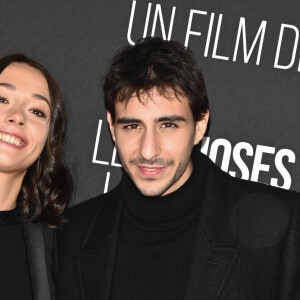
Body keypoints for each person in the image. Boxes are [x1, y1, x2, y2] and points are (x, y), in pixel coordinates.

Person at [56, 37, 300, 299]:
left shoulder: (281, 229)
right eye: (132, 126)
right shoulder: (72, 235)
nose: (148, 151)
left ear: (200, 125)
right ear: (112, 127)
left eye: (168, 125)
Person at [0, 54, 70, 300]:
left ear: (48, 140)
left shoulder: (51, 251)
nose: (17, 116)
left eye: (37, 111)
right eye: (2, 99)